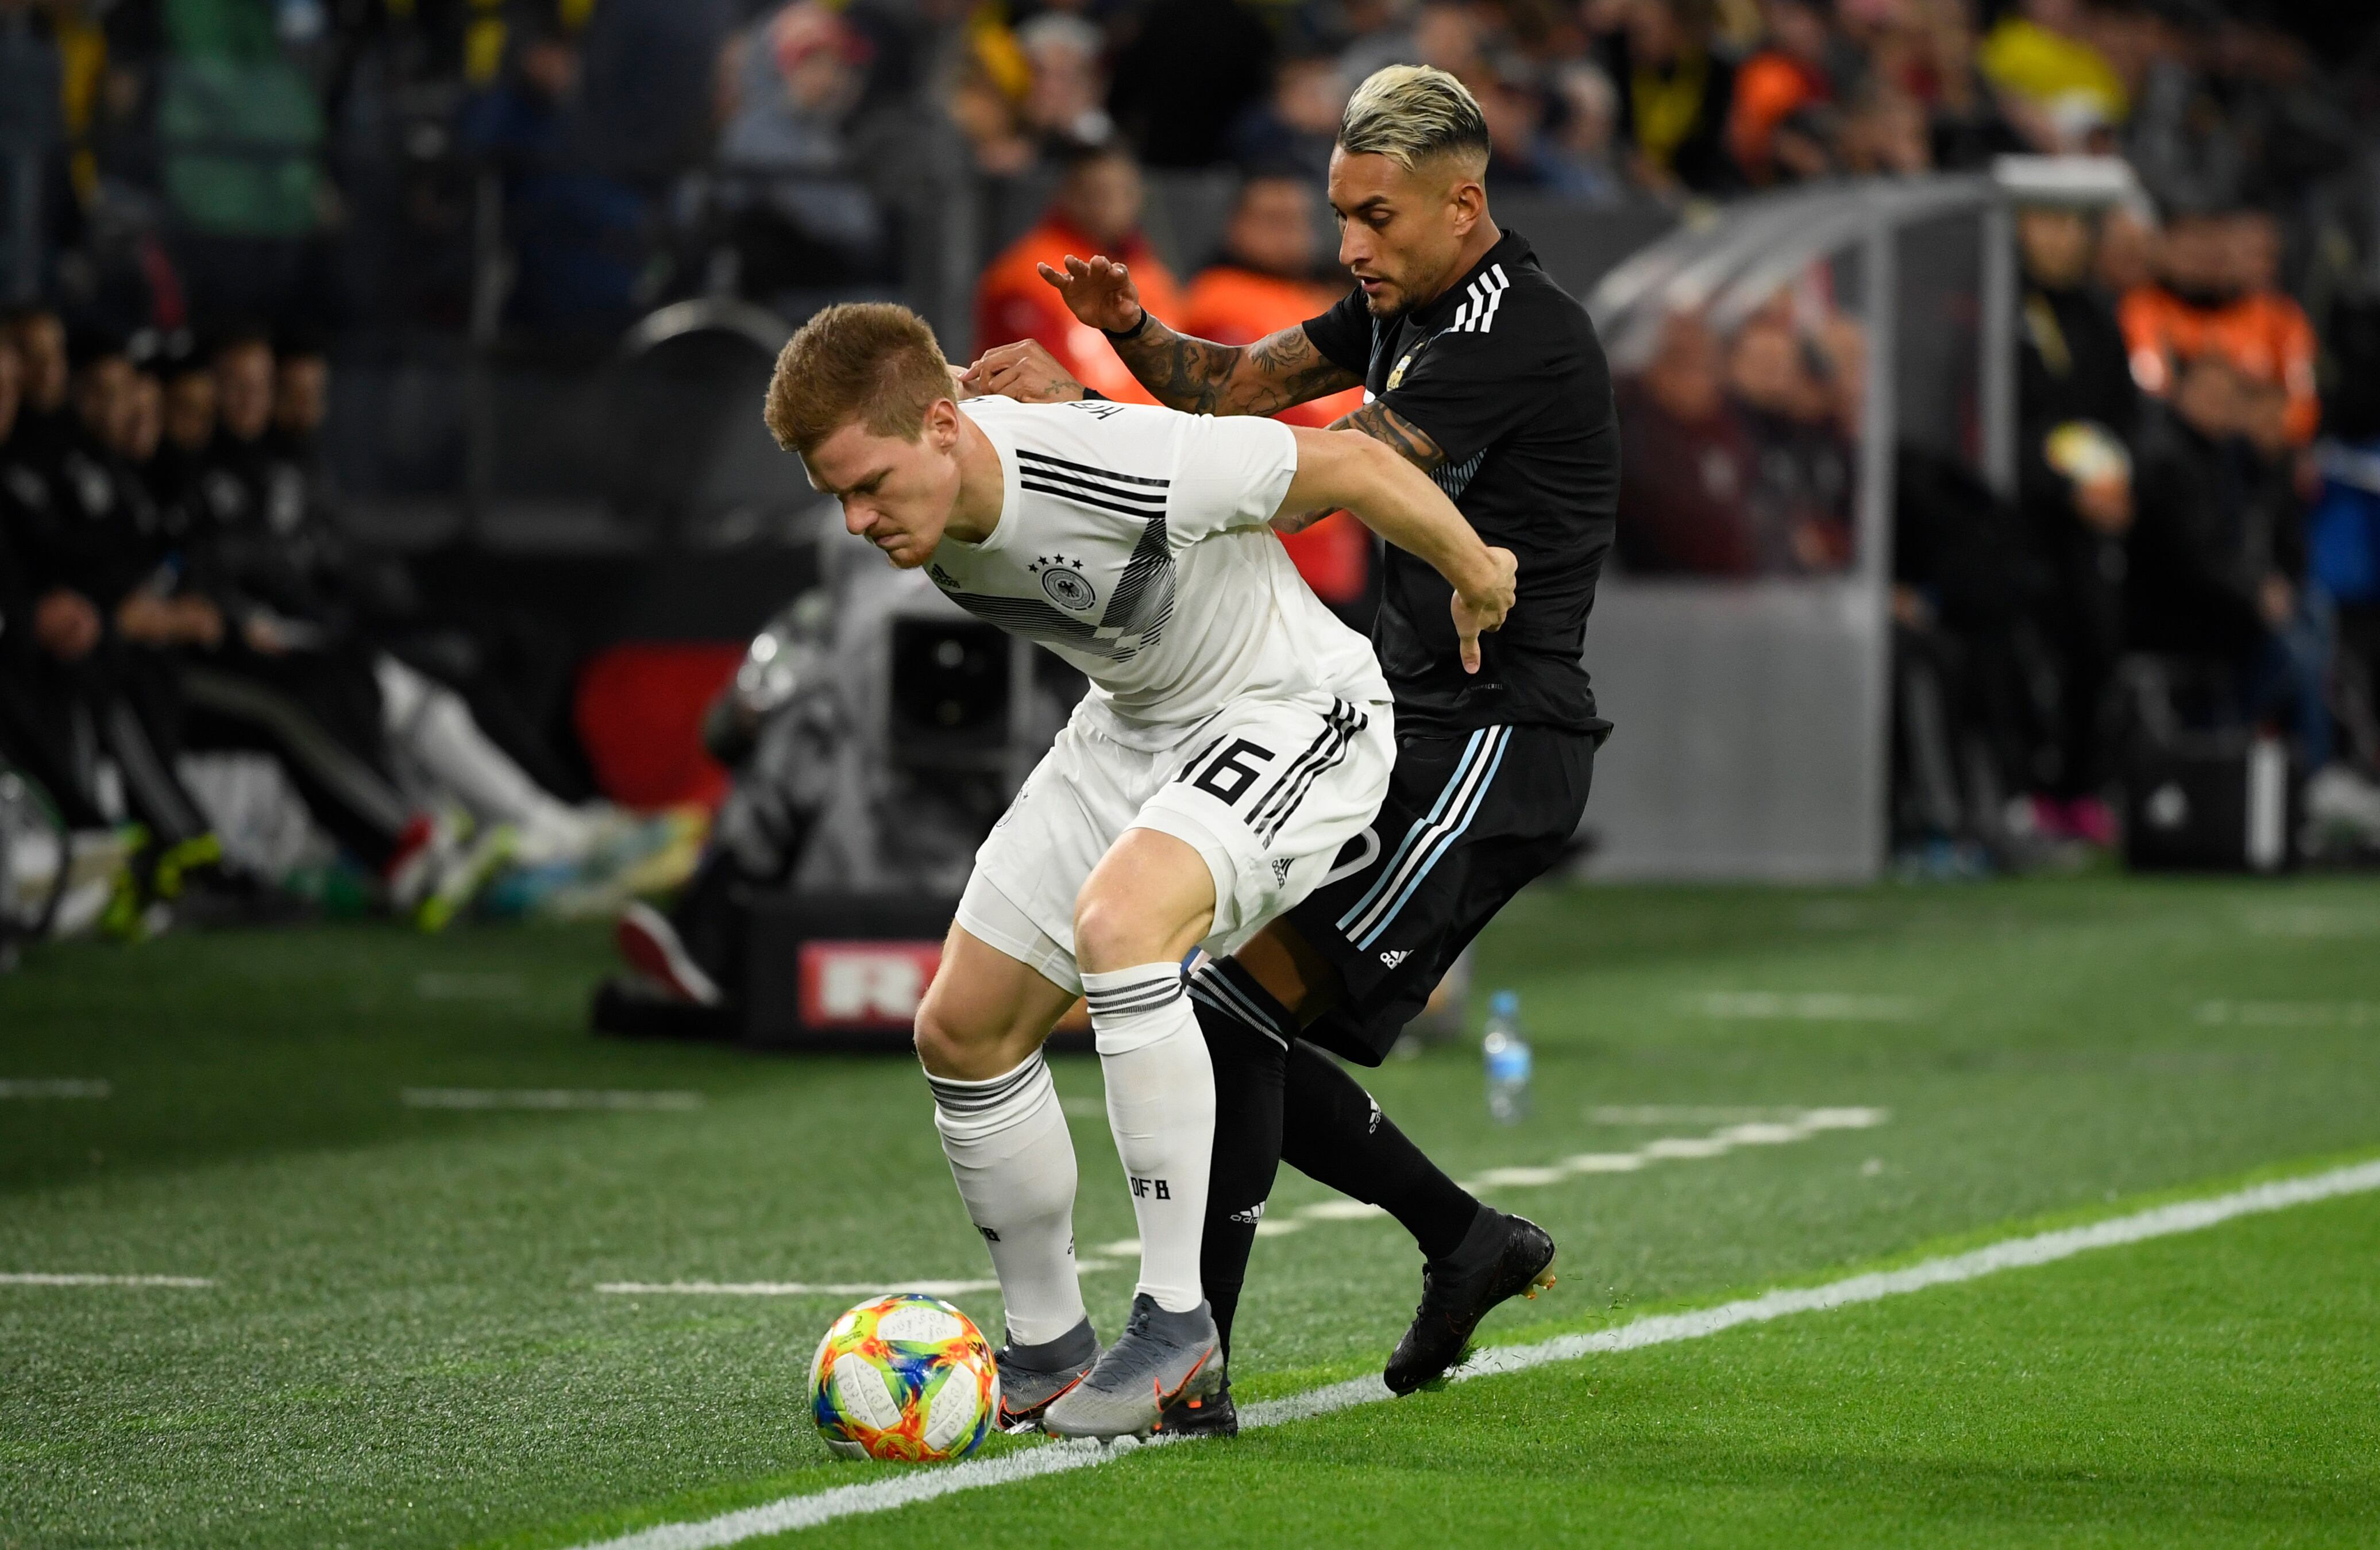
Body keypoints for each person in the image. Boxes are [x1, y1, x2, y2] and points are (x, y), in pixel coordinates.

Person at [974, 63, 1615, 1426]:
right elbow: (1228, 398)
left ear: (1463, 204)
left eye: (1375, 218)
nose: (1349, 246)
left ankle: (1195, 1362)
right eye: (1340, 216)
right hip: (1400, 717)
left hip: (1492, 738)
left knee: (1220, 1005)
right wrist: (1129, 331)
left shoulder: (1510, 330)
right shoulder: (1404, 300)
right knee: (1220, 1002)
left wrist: (1063, 433)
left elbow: (1312, 477)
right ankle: (1459, 1242)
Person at [759, 300, 1515, 1439]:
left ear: (940, 431)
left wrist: (1478, 573)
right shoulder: (933, 431)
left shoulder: (1103, 462)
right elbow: (928, 383)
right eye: (836, 499)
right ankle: (1049, 1345)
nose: (859, 519)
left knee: (1123, 926)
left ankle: (1175, 1321)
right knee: (960, 1029)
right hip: (1133, 727)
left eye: (869, 485)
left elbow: (1350, 463)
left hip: (1292, 707)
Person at [1179, 173, 1371, 618]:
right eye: (1272, 219)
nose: (1289, 233)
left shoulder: (1320, 297)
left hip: (1336, 540)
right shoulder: (1217, 300)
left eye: (1298, 220)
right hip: (1264, 546)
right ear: (1235, 224)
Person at [2014, 200, 2136, 842]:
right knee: (2029, 641)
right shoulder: (1995, 303)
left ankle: (2082, 787)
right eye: (2046, 220)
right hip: (2020, 514)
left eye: (2071, 225)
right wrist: (2061, 486)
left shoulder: (2096, 313)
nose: (2060, 238)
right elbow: (1993, 417)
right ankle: (2027, 786)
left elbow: (2128, 412)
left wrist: (2121, 479)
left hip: (2091, 515)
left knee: (2098, 640)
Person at [972, 140, 1183, 407]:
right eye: (1098, 193)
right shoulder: (1029, 273)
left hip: (1158, 436)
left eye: (1125, 192)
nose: (1113, 205)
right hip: (1072, 438)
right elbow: (1031, 393)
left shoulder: (1153, 274)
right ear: (1068, 194)